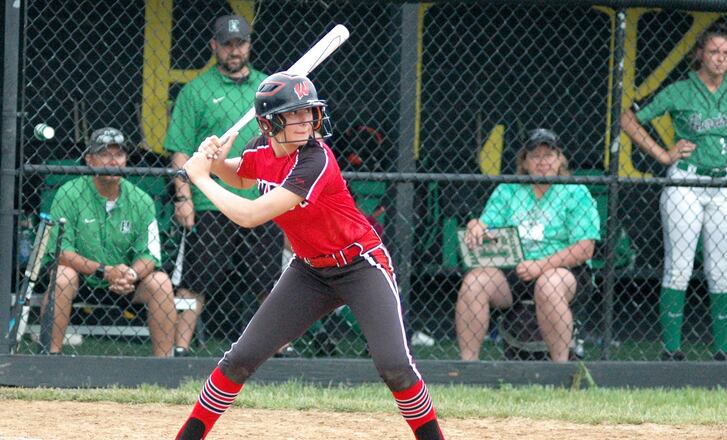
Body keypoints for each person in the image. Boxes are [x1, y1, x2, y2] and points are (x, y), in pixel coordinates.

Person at [173, 72, 444, 440]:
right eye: (295, 114)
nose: (306, 121)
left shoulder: (315, 160)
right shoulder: (260, 149)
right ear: (270, 123)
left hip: (359, 265)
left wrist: (202, 179)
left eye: (308, 112)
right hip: (310, 272)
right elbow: (241, 175)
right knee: (239, 359)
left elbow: (250, 216)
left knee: (395, 366)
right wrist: (216, 162)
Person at [620, 21, 727, 361]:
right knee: (678, 265)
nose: (721, 59)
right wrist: (663, 154)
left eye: (726, 53)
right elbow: (628, 119)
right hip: (685, 183)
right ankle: (671, 349)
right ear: (699, 54)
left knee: (720, 268)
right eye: (713, 51)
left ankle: (722, 351)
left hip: (725, 183)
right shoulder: (680, 89)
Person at [164, 14, 284, 355]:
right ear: (214, 46)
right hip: (210, 201)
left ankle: (280, 349)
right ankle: (181, 349)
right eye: (228, 44)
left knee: (270, 282)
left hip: (262, 199)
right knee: (195, 282)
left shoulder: (269, 87)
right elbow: (180, 151)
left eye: (240, 43)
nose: (235, 51)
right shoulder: (197, 90)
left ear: (249, 45)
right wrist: (183, 197)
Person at [456, 128, 600, 362]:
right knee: (474, 282)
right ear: (524, 161)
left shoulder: (576, 192)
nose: (542, 162)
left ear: (560, 159)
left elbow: (584, 248)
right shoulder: (508, 191)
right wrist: (476, 225)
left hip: (564, 272)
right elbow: (487, 224)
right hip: (514, 269)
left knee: (548, 283)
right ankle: (467, 367)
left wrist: (540, 265)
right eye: (535, 156)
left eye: (549, 155)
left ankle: (560, 368)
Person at [40, 127, 177, 356]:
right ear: (90, 160)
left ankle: (163, 367)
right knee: (63, 276)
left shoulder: (142, 200)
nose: (113, 161)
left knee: (161, 282)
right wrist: (105, 271)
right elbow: (60, 251)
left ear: (126, 160)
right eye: (104, 154)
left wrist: (130, 275)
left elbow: (150, 254)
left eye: (119, 154)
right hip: (82, 279)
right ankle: (50, 358)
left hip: (125, 283)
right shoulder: (68, 193)